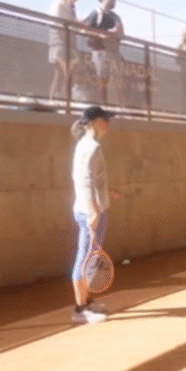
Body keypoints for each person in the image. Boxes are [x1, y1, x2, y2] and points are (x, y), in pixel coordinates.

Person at [70, 106, 122, 324]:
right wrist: (93, 210)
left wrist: (106, 195)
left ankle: (88, 303)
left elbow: (91, 180)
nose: (109, 121)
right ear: (92, 122)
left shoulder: (88, 146)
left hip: (93, 209)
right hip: (90, 212)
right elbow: (83, 181)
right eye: (105, 119)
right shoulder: (90, 147)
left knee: (90, 261)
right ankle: (80, 310)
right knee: (84, 260)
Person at [82, 0, 124, 104]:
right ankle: (102, 105)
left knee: (117, 80)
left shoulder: (115, 16)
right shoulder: (96, 13)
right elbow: (85, 30)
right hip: (100, 50)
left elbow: (121, 34)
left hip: (114, 52)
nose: (113, 1)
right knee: (102, 79)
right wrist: (106, 33)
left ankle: (120, 106)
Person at [48, 0, 82, 100]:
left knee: (69, 77)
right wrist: (73, 25)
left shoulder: (71, 8)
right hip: (60, 43)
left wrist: (78, 23)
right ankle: (52, 101)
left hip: (70, 45)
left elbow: (76, 26)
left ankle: (65, 102)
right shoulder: (58, 5)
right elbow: (57, 23)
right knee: (59, 75)